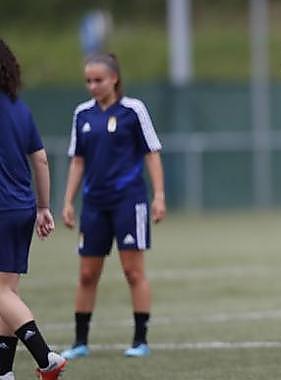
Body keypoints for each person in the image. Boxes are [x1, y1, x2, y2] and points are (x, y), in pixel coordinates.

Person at [60, 53, 166, 360]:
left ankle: (140, 340)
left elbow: (152, 153)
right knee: (87, 274)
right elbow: (77, 160)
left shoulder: (133, 110)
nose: (92, 86)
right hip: (94, 204)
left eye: (99, 80)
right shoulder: (82, 114)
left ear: (114, 79)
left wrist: (159, 195)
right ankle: (80, 342)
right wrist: (67, 201)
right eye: (88, 81)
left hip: (129, 201)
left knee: (133, 272)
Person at [0, 38, 67, 380]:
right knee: (5, 292)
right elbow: (39, 159)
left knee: (0, 292)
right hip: (22, 206)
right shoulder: (18, 107)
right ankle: (3, 371)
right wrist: (43, 206)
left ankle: (45, 358)